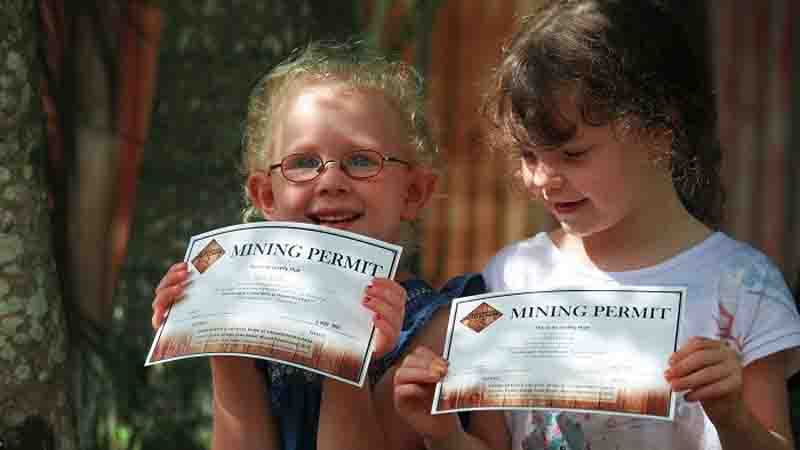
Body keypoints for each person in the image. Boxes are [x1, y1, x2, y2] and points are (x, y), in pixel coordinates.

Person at [393, 1, 800, 449]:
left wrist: (732, 416)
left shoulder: (743, 287)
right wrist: (444, 433)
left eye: (573, 154)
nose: (543, 179)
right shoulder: (510, 276)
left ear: (660, 134)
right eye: (529, 155)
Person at [150, 42, 495, 450]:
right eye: (303, 163)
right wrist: (219, 337)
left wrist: (345, 349)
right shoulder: (260, 315)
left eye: (363, 160)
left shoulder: (445, 326)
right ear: (266, 197)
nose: (330, 181)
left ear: (413, 193)